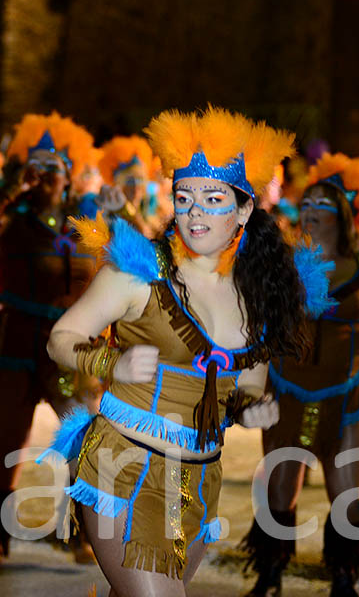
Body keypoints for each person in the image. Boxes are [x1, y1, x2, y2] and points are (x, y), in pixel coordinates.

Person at [45, 107, 325, 596]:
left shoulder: (259, 291)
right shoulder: (137, 273)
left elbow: (249, 380)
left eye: (213, 199)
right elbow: (61, 338)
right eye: (185, 197)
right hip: (123, 466)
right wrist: (111, 361)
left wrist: (250, 406)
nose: (195, 211)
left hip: (199, 480)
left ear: (243, 209)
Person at [245, 153, 359, 597]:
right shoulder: (282, 264)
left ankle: (344, 580)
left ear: (341, 213)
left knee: (348, 492)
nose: (308, 209)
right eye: (306, 202)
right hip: (288, 394)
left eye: (320, 202)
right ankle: (270, 575)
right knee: (280, 492)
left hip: (348, 397)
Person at [0, 112, 101, 563]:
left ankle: (83, 532)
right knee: (10, 440)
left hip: (69, 347)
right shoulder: (13, 216)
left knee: (80, 436)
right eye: (37, 167)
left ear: (69, 175)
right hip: (18, 341)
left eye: (53, 167)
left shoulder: (84, 220)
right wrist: (11, 187)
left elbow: (128, 266)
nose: (45, 176)